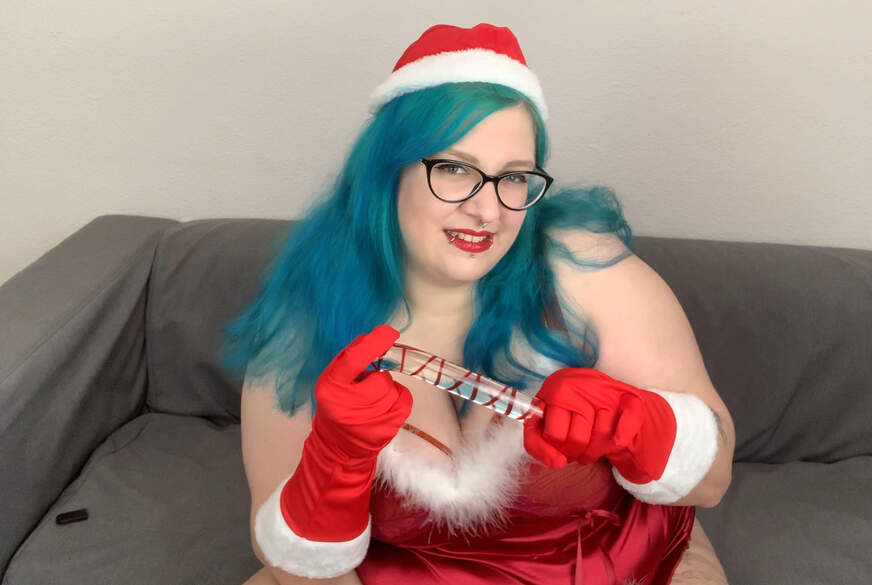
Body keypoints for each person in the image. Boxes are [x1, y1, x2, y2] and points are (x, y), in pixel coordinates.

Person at [220, 23, 735, 585]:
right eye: (455, 168)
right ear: (386, 172)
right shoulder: (300, 327)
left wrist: (638, 425)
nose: (488, 211)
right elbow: (292, 564)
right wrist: (334, 462)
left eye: (513, 177)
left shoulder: (583, 268)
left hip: (634, 569)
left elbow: (712, 479)